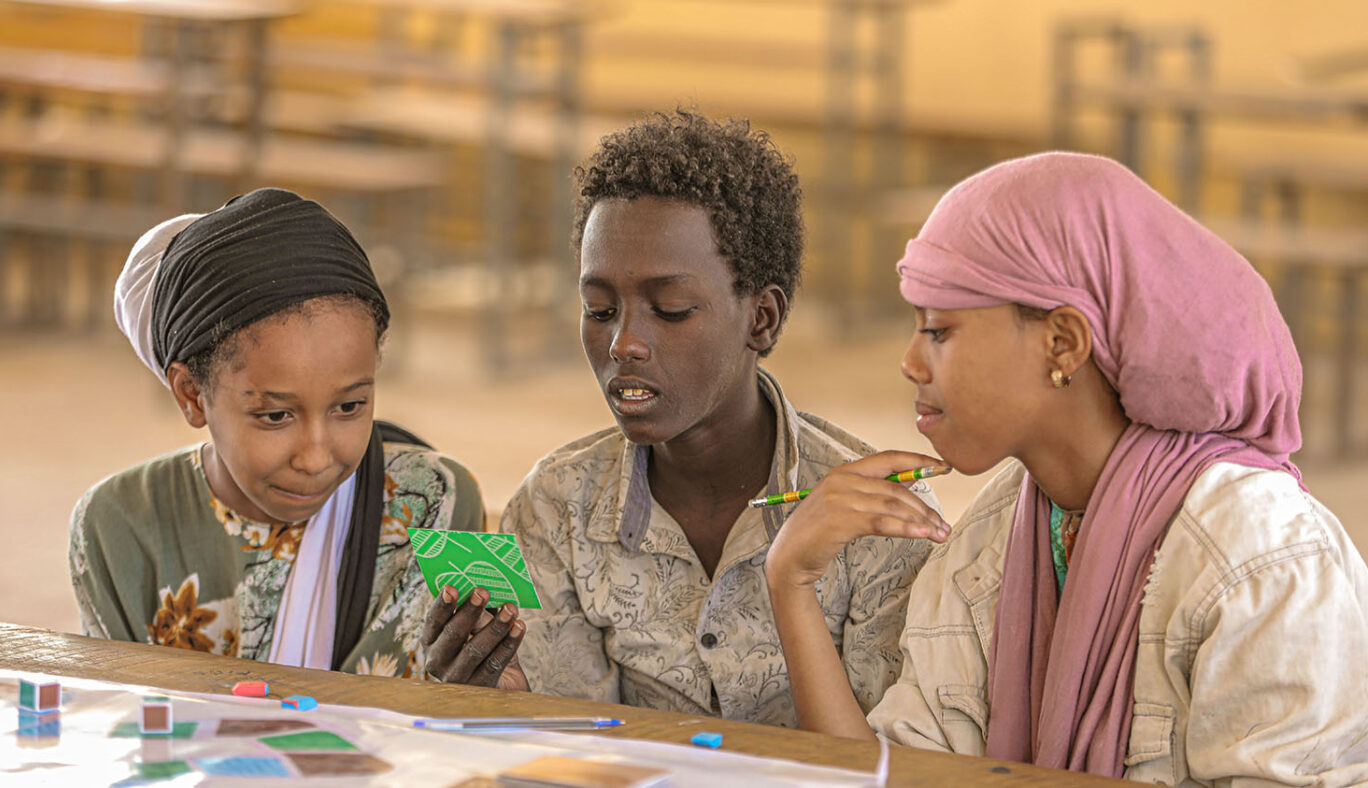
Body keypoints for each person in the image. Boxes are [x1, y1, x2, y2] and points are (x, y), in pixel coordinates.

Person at [766, 152, 1368, 783]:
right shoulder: (991, 538)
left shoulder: (1257, 558)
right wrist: (792, 582)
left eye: (939, 331)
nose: (911, 363)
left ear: (1063, 343)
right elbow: (901, 779)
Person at [497, 110, 943, 726]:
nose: (625, 342)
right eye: (599, 310)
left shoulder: (876, 524)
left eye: (671, 309)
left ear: (761, 318)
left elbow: (878, 766)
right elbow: (573, 744)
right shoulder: (555, 507)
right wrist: (499, 694)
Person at [70, 188, 524, 687]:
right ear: (191, 394)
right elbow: (130, 721)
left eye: (349, 407)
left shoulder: (442, 500)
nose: (315, 457)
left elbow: (496, 699)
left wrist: (497, 697)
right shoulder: (117, 525)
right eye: (276, 415)